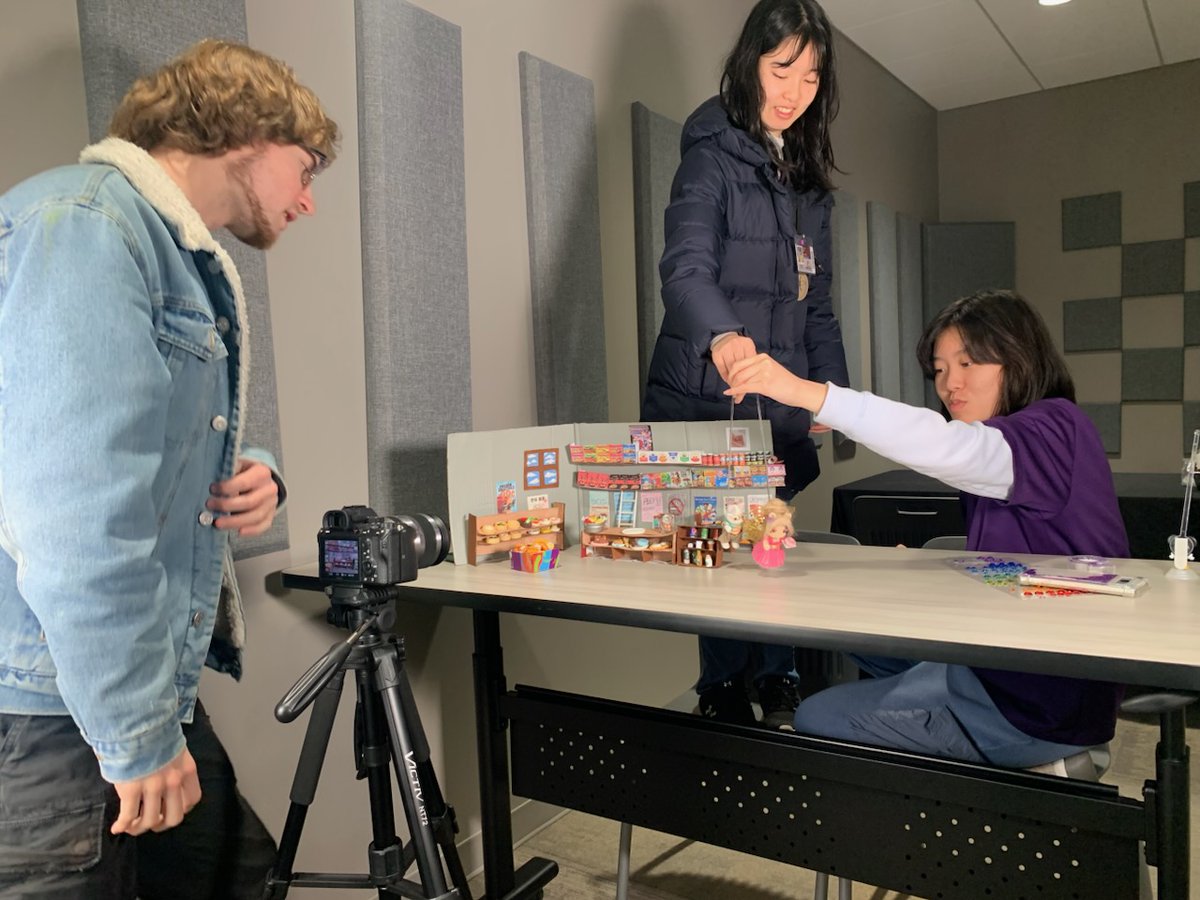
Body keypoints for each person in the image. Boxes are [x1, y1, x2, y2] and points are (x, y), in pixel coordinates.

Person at [0, 39, 339, 897]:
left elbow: (127, 443)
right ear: (246, 129)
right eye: (305, 168)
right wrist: (136, 735)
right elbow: (74, 518)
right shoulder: (85, 228)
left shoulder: (158, 246)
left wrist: (255, 470)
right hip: (55, 712)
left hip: (128, 682)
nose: (307, 200)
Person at [724, 290, 1129, 769]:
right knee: (854, 628)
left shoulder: (1054, 428)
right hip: (1001, 672)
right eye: (940, 370)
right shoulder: (1015, 440)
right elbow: (1029, 569)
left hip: (1037, 708)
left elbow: (944, 445)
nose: (950, 384)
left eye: (968, 363)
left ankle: (1011, 776)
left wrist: (804, 393)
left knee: (815, 715)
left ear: (1020, 358)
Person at [640, 0, 850, 729]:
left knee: (772, 541)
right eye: (780, 69)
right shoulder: (710, 158)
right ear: (748, 62)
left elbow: (818, 304)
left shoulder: (807, 184)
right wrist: (724, 335)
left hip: (777, 398)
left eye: (811, 77)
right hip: (710, 394)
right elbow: (684, 269)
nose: (793, 92)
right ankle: (724, 686)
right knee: (721, 552)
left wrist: (829, 394)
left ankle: (779, 676)